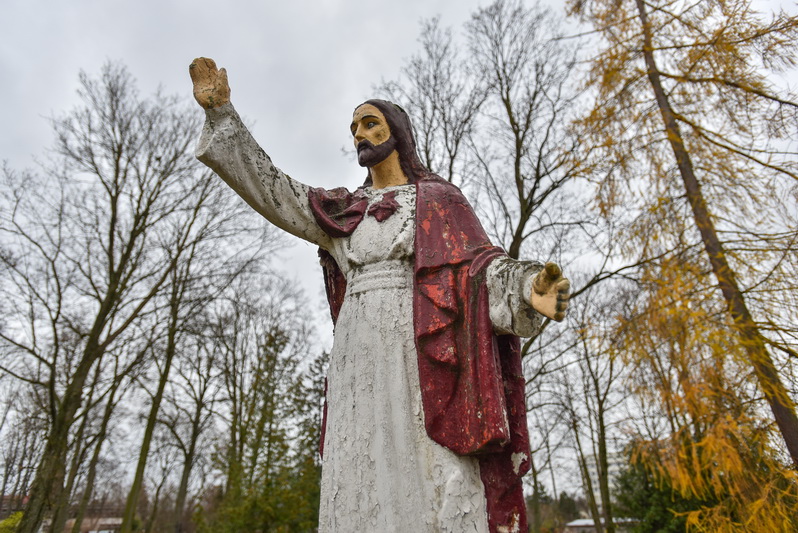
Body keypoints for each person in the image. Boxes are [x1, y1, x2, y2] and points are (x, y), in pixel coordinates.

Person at [189, 57, 570, 533]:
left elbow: (478, 270)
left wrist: (529, 288)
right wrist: (223, 115)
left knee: (430, 466)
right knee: (359, 459)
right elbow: (277, 193)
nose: (360, 134)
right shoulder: (343, 212)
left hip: (420, 349)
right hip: (357, 351)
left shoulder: (440, 201)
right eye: (354, 128)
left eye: (370, 123)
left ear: (398, 133)